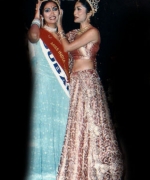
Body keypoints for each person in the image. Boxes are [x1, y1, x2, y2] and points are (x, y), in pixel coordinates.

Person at [56, 0, 124, 179]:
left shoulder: (93, 32)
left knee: (91, 123)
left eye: (79, 9)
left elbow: (67, 47)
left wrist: (59, 25)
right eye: (74, 9)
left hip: (87, 81)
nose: (75, 12)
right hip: (77, 82)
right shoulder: (74, 33)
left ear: (90, 11)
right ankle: (79, 170)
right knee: (78, 125)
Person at [25, 0, 70, 179]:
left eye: (54, 9)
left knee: (61, 128)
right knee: (43, 128)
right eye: (47, 10)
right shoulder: (38, 32)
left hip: (61, 92)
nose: (51, 12)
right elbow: (34, 37)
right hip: (43, 90)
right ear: (42, 14)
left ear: (60, 12)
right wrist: (36, 15)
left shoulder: (64, 37)